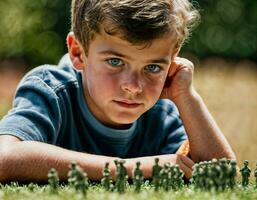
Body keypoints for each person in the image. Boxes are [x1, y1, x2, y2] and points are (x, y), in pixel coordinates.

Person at [0, 0, 236, 183]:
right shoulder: (51, 90)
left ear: (172, 62)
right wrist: (133, 168)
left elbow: (222, 176)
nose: (133, 86)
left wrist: (187, 96)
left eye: (152, 67)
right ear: (78, 53)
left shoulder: (162, 110)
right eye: (115, 62)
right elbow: (5, 158)